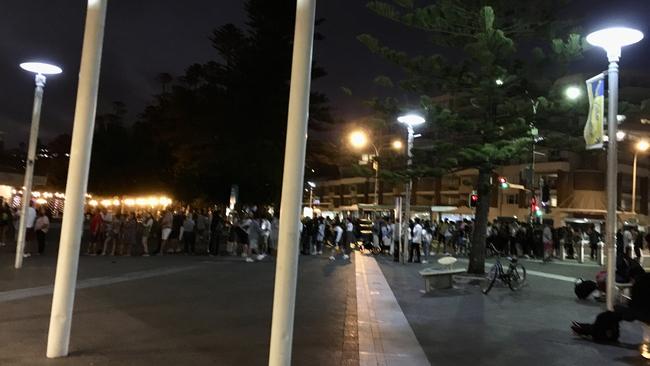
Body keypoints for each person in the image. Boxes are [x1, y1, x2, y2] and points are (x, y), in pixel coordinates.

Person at [571, 267, 649, 343]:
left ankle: (591, 330)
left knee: (607, 315)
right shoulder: (644, 280)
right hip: (642, 311)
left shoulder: (640, 283)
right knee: (611, 314)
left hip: (643, 313)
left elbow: (634, 307)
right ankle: (591, 330)